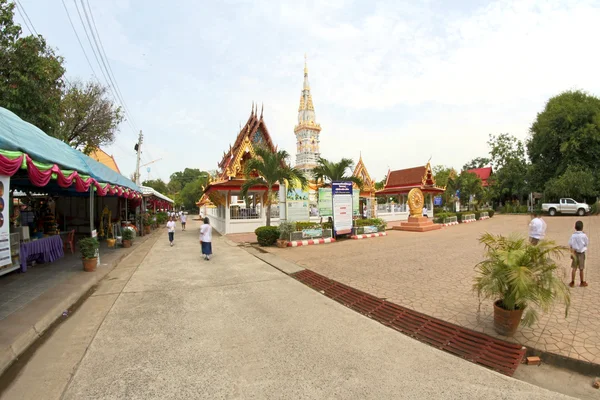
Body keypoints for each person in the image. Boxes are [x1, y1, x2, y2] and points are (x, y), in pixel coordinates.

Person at [569, 220, 589, 288]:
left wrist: (571, 253)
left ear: (575, 227)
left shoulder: (573, 236)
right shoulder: (584, 235)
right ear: (582, 227)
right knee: (581, 268)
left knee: (574, 268)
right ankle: (582, 282)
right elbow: (586, 243)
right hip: (581, 253)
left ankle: (572, 282)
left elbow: (570, 244)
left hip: (575, 252)